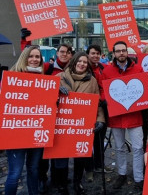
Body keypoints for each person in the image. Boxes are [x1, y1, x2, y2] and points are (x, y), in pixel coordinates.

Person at [57, 52, 105, 195]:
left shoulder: (92, 81)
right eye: (80, 61)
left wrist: (100, 119)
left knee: (80, 156)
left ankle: (77, 183)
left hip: (81, 125)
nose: (82, 64)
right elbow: (45, 99)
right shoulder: (59, 78)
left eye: (85, 62)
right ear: (74, 62)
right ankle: (62, 186)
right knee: (61, 157)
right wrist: (55, 90)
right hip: (62, 125)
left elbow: (97, 103)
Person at [102, 41, 144, 193]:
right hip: (117, 116)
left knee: (138, 148)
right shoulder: (107, 71)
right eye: (118, 51)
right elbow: (102, 89)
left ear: (127, 52)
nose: (121, 53)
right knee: (119, 148)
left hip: (134, 115)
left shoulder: (138, 69)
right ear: (113, 53)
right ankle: (121, 173)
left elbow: (144, 89)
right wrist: (105, 98)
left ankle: (139, 177)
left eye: (123, 50)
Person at [5, 46, 44, 195]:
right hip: (17, 133)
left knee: (33, 170)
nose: (34, 59)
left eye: (37, 57)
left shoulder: (43, 79)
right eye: (31, 56)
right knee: (15, 173)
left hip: (36, 131)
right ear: (24, 58)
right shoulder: (12, 77)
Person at [38, 43, 72, 194]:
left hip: (65, 116)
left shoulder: (73, 69)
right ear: (57, 53)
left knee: (60, 151)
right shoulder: (47, 67)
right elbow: (27, 71)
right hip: (46, 115)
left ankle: (60, 181)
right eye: (62, 52)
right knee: (44, 151)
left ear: (71, 55)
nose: (64, 54)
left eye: (67, 52)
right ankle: (43, 179)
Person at [86, 45, 112, 178]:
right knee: (87, 139)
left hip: (102, 107)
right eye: (92, 53)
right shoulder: (83, 66)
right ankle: (89, 167)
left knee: (100, 138)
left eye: (97, 53)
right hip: (87, 107)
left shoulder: (103, 68)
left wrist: (105, 99)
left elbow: (107, 86)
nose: (95, 56)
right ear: (87, 54)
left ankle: (99, 164)